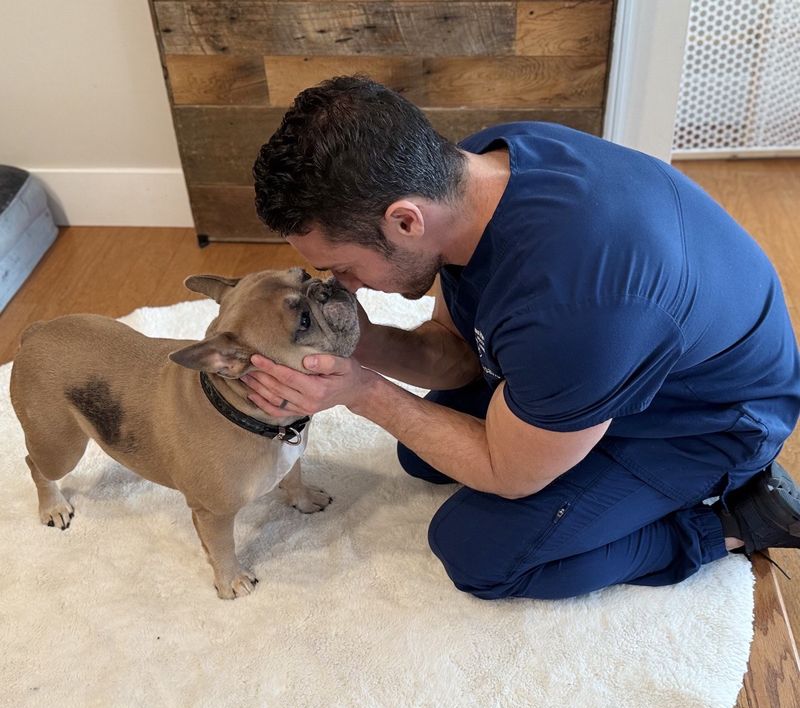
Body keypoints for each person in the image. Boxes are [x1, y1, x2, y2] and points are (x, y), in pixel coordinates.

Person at [243, 75, 800, 600]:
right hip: (613, 354)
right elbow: (458, 351)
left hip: (705, 420)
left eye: (342, 267)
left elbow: (506, 474)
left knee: (477, 551)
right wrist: (359, 342)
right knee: (423, 457)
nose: (343, 285)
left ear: (406, 221)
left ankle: (730, 521)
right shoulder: (474, 169)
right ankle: (572, 426)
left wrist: (362, 392)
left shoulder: (577, 304)